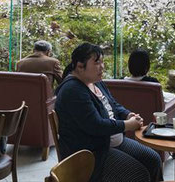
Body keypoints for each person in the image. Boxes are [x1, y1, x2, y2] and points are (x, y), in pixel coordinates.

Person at [55, 43, 161, 182]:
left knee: (153, 159)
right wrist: (127, 125)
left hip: (110, 142)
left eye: (102, 62)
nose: (102, 67)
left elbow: (113, 104)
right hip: (91, 153)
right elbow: (95, 126)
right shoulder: (73, 90)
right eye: (97, 62)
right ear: (80, 66)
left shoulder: (95, 81)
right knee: (138, 175)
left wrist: (127, 115)